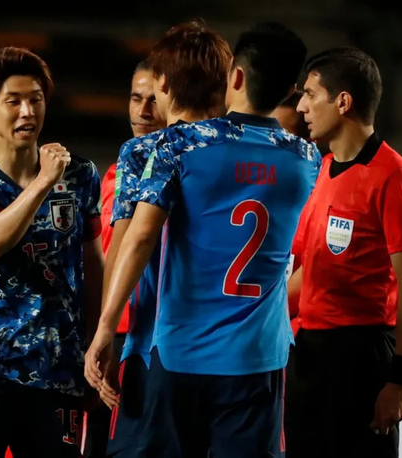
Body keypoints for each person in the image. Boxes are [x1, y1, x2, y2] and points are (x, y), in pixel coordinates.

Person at [86, 22, 319, 457]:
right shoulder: (306, 159)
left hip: (179, 349)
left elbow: (135, 239)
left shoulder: (178, 145)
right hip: (260, 356)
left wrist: (105, 329)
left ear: (236, 76)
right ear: (291, 90)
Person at [0, 46, 104, 458]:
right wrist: (43, 182)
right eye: (13, 101)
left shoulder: (80, 175)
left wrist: (98, 340)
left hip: (57, 368)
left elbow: (92, 263)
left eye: (36, 99)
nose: (28, 111)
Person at [94, 21, 231, 458]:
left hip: (159, 344)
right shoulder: (259, 149)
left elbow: (127, 243)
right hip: (239, 350)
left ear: (166, 84)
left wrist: (106, 330)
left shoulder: (145, 152)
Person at [285, 47, 402, 458]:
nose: (301, 106)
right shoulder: (322, 170)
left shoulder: (394, 176)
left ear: (343, 102)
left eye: (311, 94)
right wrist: (260, 318)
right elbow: (312, 269)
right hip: (308, 354)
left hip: (362, 357)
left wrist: (400, 380)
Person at [84, 58, 167, 458]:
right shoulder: (117, 172)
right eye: (136, 98)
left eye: (153, 100)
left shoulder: (178, 170)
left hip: (149, 338)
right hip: (111, 330)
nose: (143, 111)